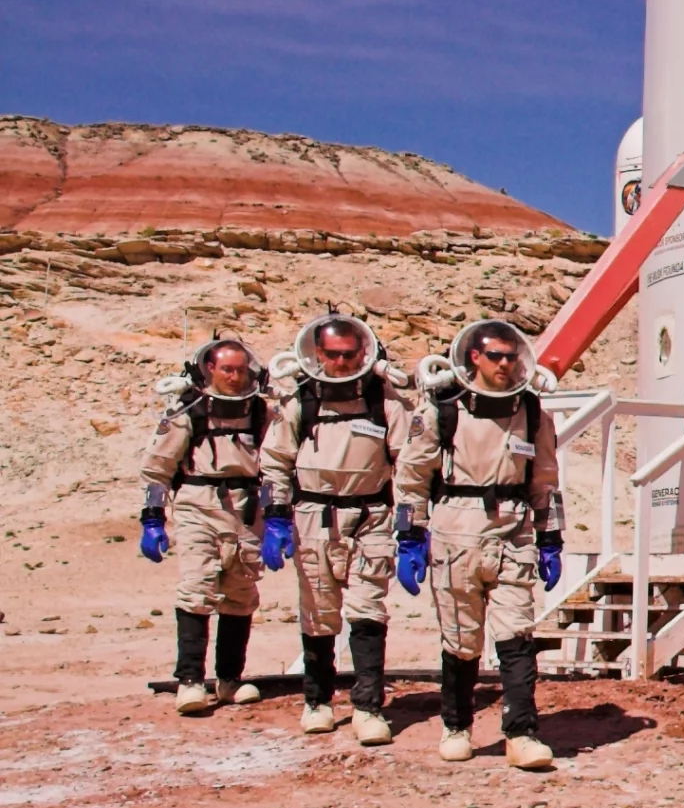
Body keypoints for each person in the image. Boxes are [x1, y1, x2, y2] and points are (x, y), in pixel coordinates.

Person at [395, 320, 562, 770]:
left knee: (517, 634)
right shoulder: (442, 412)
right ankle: (456, 725)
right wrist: (410, 535)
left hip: (512, 529)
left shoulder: (532, 412)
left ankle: (522, 733)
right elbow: (412, 478)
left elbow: (545, 479)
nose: (506, 365)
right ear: (474, 358)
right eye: (496, 357)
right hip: (456, 529)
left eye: (511, 357)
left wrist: (550, 536)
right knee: (461, 639)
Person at [261, 313, 413, 743]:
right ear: (318, 354)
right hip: (313, 517)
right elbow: (274, 463)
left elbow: (410, 465)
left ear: (364, 353)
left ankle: (368, 707)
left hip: (371, 517)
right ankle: (318, 702)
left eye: (351, 354)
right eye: (334, 355)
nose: (343, 362)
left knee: (368, 611)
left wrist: (413, 526)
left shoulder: (386, 403)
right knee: (319, 613)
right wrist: (274, 516)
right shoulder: (300, 403)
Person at [141, 337, 273, 713]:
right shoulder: (189, 411)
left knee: (240, 594)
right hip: (198, 506)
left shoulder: (260, 412)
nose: (234, 377)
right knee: (197, 589)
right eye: (227, 369)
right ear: (210, 368)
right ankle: (190, 681)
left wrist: (278, 516)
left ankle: (230, 679)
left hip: (246, 511)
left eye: (240, 370)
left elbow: (278, 463)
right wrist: (153, 519)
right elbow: (156, 469)